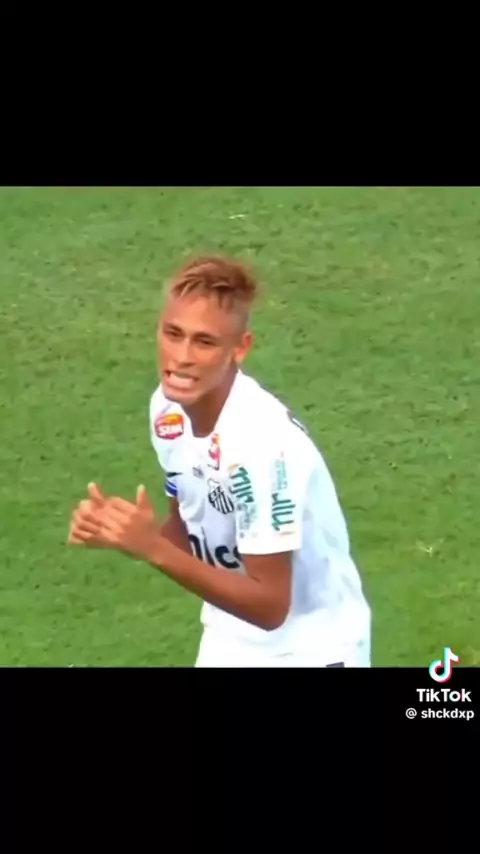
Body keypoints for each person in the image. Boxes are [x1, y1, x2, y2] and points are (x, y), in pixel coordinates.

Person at [68, 254, 371, 667]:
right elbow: (190, 535)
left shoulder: (263, 447)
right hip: (229, 639)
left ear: (239, 348)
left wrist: (151, 547)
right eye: (172, 334)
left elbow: (269, 606)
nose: (181, 357)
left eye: (204, 342)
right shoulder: (168, 411)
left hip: (312, 649)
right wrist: (122, 530)